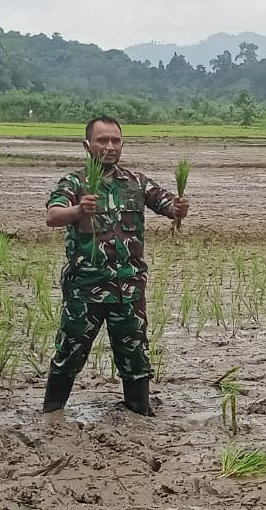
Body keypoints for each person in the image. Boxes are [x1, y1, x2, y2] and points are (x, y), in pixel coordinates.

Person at [42, 116, 188, 416]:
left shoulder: (136, 182)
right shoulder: (75, 183)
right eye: (102, 140)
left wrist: (178, 209)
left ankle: (138, 412)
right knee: (69, 353)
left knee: (135, 356)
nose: (109, 146)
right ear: (87, 145)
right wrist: (78, 210)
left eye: (115, 141)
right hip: (86, 290)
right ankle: (51, 413)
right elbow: (53, 216)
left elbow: (167, 205)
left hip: (129, 289)